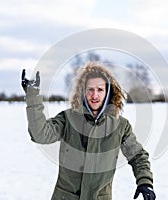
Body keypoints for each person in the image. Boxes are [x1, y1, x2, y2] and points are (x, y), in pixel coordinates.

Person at [21, 61, 156, 200]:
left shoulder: (121, 126)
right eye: (90, 89)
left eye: (100, 90)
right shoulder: (68, 119)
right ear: (82, 91)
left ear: (108, 92)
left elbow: (138, 156)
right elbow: (41, 135)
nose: (94, 95)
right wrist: (32, 96)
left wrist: (145, 181)